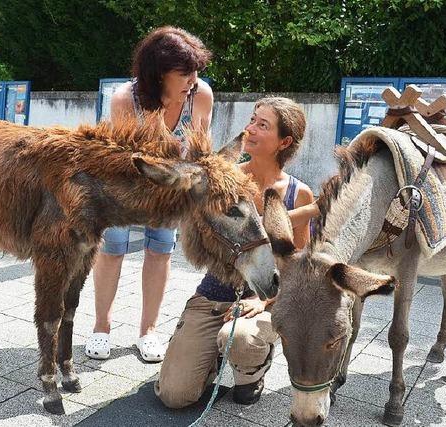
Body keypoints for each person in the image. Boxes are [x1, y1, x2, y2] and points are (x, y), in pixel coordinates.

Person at [155, 97, 319, 408]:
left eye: (263, 125)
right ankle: (209, 359)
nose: (250, 128)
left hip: (265, 299)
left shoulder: (300, 193)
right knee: (174, 396)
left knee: (242, 338)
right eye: (252, 120)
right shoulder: (224, 179)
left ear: (284, 141)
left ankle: (251, 372)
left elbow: (298, 263)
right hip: (213, 294)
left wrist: (262, 299)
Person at [85, 27, 214, 362]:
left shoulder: (200, 96)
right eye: (184, 73)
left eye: (195, 71)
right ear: (159, 74)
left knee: (160, 251)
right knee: (113, 250)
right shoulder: (125, 100)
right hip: (126, 185)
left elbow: (199, 150)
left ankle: (149, 331)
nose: (192, 79)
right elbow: (124, 159)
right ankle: (101, 327)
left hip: (171, 189)